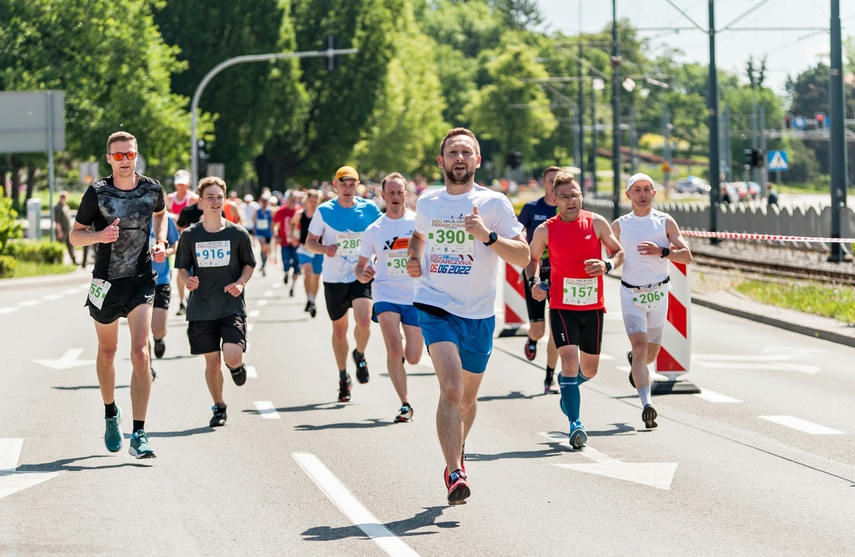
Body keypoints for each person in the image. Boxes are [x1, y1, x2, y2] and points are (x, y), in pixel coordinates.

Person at [406, 128, 529, 504]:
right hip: (434, 304)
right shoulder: (428, 202)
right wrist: (414, 258)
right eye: (452, 152)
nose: (459, 158)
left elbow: (523, 256)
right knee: (452, 389)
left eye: (467, 152)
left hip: (478, 314)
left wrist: (488, 237)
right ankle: (455, 472)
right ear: (441, 161)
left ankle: (457, 452)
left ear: (477, 160)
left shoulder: (494, 204)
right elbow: (418, 237)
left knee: (466, 400)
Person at [69, 130, 167, 459]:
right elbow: (75, 237)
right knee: (108, 352)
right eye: (118, 155)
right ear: (109, 159)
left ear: (137, 155)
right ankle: (112, 414)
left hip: (141, 280)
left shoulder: (151, 188)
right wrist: (100, 234)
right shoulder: (97, 193)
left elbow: (160, 213)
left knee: (141, 353)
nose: (125, 160)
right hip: (106, 282)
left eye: (130, 154)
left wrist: (160, 240)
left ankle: (139, 433)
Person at [527, 172, 624, 450]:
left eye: (576, 194)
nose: (572, 200)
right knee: (569, 361)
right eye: (565, 196)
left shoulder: (596, 222)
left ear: (582, 195)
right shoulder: (546, 229)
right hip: (560, 305)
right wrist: (535, 282)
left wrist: (607, 265)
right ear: (555, 199)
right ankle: (576, 424)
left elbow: (618, 252)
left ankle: (568, 386)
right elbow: (532, 259)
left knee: (589, 370)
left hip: (593, 306)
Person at [612, 173, 692, 430]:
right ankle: (647, 405)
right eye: (637, 190)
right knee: (639, 348)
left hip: (658, 294)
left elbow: (687, 256)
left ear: (654, 194)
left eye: (647, 189)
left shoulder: (665, 221)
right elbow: (608, 254)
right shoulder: (620, 225)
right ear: (628, 195)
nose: (643, 194)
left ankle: (636, 365)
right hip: (631, 293)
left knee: (650, 353)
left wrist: (663, 251)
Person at [175, 176, 256, 427]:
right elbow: (182, 269)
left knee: (231, 356)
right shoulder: (190, 235)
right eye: (210, 197)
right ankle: (219, 406)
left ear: (225, 200)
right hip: (201, 307)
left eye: (219, 197)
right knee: (211, 361)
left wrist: (241, 282)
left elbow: (249, 265)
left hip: (230, 304)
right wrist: (188, 280)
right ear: (200, 201)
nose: (215, 201)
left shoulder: (237, 234)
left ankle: (236, 367)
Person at [307, 166, 382, 401]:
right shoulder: (324, 211)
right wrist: (323, 249)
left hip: (361, 275)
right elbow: (309, 242)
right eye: (343, 183)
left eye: (352, 184)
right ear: (335, 184)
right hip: (334, 279)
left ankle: (359, 354)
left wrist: (379, 258)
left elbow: (383, 235)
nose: (348, 188)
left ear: (357, 185)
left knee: (363, 322)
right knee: (339, 330)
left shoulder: (368, 209)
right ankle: (343, 377)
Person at [354, 172, 423, 423]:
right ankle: (405, 403)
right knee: (394, 347)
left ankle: (402, 358)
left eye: (399, 192)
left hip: (414, 294)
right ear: (382, 196)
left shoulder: (419, 223)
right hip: (385, 293)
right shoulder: (374, 230)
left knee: (413, 357)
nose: (395, 197)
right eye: (390, 193)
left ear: (406, 194)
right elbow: (360, 266)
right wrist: (364, 274)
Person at [517, 166, 560, 393]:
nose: (554, 184)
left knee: (556, 329)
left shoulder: (568, 210)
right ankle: (531, 339)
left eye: (558, 180)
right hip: (534, 273)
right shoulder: (532, 208)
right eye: (551, 180)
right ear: (543, 183)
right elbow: (516, 233)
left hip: (560, 277)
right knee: (539, 329)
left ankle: (549, 377)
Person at [149, 215, 180, 369]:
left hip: (161, 280)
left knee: (159, 328)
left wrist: (165, 253)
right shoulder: (131, 215)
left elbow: (175, 244)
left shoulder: (166, 220)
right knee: (140, 332)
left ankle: (158, 338)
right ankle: (147, 368)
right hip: (137, 282)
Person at [292, 190, 323, 317]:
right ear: (307, 201)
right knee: (307, 271)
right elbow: (293, 224)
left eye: (316, 201)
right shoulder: (300, 214)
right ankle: (309, 298)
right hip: (304, 248)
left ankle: (312, 301)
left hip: (319, 248)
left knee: (316, 277)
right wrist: (292, 236)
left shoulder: (322, 215)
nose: (313, 203)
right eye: (311, 201)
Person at [273, 191, 301, 294]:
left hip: (296, 243)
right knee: (286, 262)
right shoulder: (281, 211)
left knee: (297, 266)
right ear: (287, 200)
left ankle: (292, 287)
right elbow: (274, 224)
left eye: (294, 199)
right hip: (284, 242)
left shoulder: (299, 211)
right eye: (291, 199)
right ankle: (286, 272)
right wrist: (276, 236)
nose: (293, 201)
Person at [54, 191, 77, 265]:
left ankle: (73, 260)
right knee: (59, 246)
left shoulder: (65, 207)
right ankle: (57, 260)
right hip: (62, 230)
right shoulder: (58, 208)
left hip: (68, 230)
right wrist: (59, 231)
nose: (64, 199)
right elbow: (57, 221)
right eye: (63, 197)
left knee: (70, 245)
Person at [254, 193, 274, 276]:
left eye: (266, 201)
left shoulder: (270, 211)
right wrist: (254, 229)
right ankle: (262, 264)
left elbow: (272, 222)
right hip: (260, 232)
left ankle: (264, 265)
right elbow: (254, 219)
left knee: (266, 250)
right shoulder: (257, 210)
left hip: (267, 232)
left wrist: (273, 231)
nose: (265, 203)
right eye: (263, 201)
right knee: (263, 246)